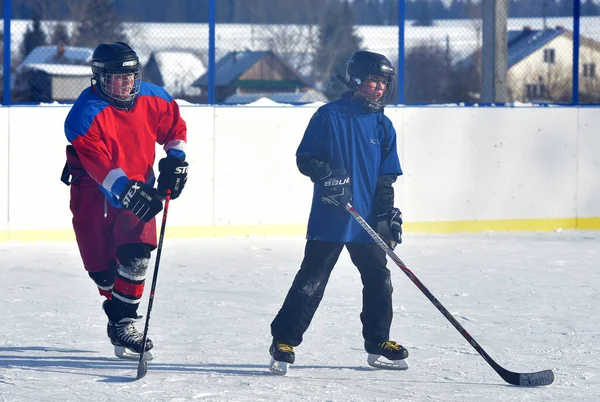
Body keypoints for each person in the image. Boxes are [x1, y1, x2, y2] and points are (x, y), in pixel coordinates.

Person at [268, 50, 406, 375]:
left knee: (379, 280)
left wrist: (386, 216)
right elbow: (306, 158)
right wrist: (328, 175)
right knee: (312, 280)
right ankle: (284, 340)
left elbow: (385, 178)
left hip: (366, 221)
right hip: (332, 216)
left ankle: (378, 341)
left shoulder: (384, 126)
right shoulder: (328, 116)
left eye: (383, 83)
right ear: (357, 80)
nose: (378, 89)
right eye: (373, 81)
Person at [62, 42, 188, 360]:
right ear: (99, 79)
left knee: (136, 255)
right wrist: (125, 190)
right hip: (93, 191)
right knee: (103, 273)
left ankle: (123, 324)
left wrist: (176, 159)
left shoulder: (154, 97)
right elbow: (98, 166)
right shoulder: (83, 115)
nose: (126, 84)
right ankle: (116, 308)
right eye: (118, 78)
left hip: (139, 184)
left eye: (131, 76)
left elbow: (174, 126)